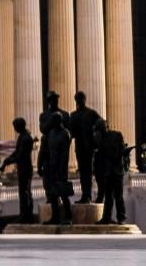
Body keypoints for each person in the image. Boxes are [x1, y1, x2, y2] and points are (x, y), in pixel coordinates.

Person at [39, 92, 73, 226]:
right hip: (50, 161)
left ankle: (68, 216)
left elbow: (64, 150)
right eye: (52, 100)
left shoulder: (65, 132)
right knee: (52, 192)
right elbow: (43, 131)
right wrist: (42, 163)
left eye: (56, 99)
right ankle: (55, 216)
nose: (54, 102)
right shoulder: (48, 128)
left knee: (63, 191)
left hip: (61, 164)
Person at [94, 118, 128, 226]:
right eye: (99, 129)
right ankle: (106, 218)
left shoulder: (117, 135)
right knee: (108, 196)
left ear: (106, 127)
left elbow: (122, 150)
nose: (101, 131)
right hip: (107, 171)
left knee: (119, 196)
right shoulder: (99, 139)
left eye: (102, 128)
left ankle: (121, 218)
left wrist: (125, 152)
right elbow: (99, 155)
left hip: (117, 170)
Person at [69, 91, 100, 204]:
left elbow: (102, 124)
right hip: (80, 147)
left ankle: (88, 195)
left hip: (89, 147)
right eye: (78, 99)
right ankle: (85, 194)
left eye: (81, 98)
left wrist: (96, 139)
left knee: (88, 171)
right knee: (83, 172)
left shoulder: (91, 113)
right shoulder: (73, 115)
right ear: (76, 100)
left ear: (84, 100)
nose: (80, 101)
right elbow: (70, 133)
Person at [9, 117, 36, 224]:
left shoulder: (26, 138)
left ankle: (27, 216)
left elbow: (20, 155)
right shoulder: (22, 137)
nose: (14, 129)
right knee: (24, 192)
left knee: (25, 192)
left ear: (20, 126)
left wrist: (8, 161)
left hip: (25, 168)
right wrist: (7, 160)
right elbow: (17, 152)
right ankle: (25, 215)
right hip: (23, 168)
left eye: (15, 126)